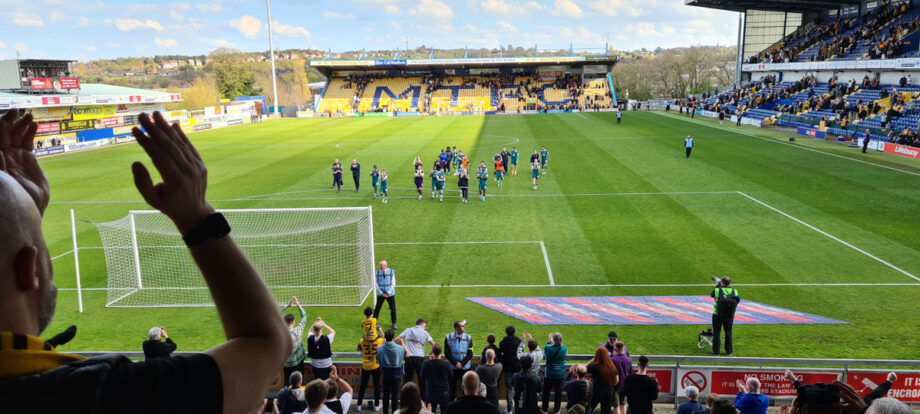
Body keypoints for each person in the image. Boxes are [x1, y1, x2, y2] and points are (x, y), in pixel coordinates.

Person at [0, 110, 290, 411]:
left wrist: (17, 222)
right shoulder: (110, 394)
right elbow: (267, 344)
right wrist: (197, 218)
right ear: (28, 269)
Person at [399, 319, 436, 401]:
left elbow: (397, 339)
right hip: (420, 358)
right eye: (425, 326)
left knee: (408, 380)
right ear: (422, 324)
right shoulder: (425, 333)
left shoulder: (408, 330)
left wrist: (404, 345)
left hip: (409, 358)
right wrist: (431, 352)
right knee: (421, 380)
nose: (425, 328)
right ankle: (424, 399)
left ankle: (407, 399)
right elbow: (434, 344)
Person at [378, 329, 407, 414]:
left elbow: (378, 361)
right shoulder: (400, 348)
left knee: (385, 396)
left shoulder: (380, 349)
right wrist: (402, 343)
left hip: (385, 375)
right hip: (397, 375)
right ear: (393, 337)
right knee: (395, 396)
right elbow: (408, 354)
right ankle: (394, 412)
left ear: (385, 337)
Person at [357, 325, 385, 412]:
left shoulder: (362, 341)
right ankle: (376, 406)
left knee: (362, 386)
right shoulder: (379, 341)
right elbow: (386, 339)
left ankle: (359, 405)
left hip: (366, 366)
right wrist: (380, 330)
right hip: (376, 366)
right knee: (376, 387)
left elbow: (358, 349)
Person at [444, 320, 473, 401]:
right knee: (451, 389)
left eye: (464, 326)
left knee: (466, 390)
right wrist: (456, 363)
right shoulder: (448, 337)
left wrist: (462, 364)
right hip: (453, 368)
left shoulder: (469, 337)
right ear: (456, 328)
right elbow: (447, 353)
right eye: (462, 326)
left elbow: (470, 353)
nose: (464, 327)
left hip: (465, 368)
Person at [710, 276, 739, 356]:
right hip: (729, 316)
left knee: (717, 333)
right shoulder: (734, 291)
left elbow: (712, 295)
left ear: (722, 283)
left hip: (717, 315)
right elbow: (738, 300)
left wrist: (717, 286)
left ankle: (716, 351)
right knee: (728, 333)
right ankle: (729, 352)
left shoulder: (717, 290)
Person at [421, 343, 453, 414]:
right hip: (444, 392)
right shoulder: (446, 364)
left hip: (431, 392)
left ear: (432, 351)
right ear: (441, 352)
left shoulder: (427, 363)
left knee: (430, 412)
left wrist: (430, 362)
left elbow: (422, 377)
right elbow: (451, 377)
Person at [284, 296, 308, 386]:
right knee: (300, 382)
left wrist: (286, 307)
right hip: (298, 362)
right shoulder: (298, 331)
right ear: (293, 322)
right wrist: (297, 303)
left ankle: (286, 398)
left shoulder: (280, 333)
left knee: (287, 382)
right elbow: (304, 316)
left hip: (286, 363)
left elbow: (274, 317)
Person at [587, 346, 619, 414]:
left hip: (596, 392)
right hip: (609, 392)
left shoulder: (594, 367)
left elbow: (582, 370)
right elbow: (616, 381)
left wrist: (591, 361)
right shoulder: (612, 366)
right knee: (606, 411)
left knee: (588, 409)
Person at [542, 332, 567, 414]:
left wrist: (549, 342)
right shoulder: (564, 348)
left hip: (549, 374)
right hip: (560, 374)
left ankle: (545, 409)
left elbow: (545, 352)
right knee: (558, 393)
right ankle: (556, 410)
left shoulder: (547, 347)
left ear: (553, 339)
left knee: (546, 392)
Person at [374, 260, 397, 330]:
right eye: (380, 265)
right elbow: (376, 284)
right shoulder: (377, 273)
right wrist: (381, 293)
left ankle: (394, 323)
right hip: (381, 294)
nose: (380, 266)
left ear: (385, 265)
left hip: (390, 294)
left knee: (393, 309)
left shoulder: (391, 272)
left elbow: (393, 283)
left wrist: (388, 293)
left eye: (381, 265)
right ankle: (374, 323)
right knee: (377, 308)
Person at [611, 341, 633, 414]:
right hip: (625, 386)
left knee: (616, 406)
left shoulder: (613, 360)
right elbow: (631, 372)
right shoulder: (629, 360)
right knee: (623, 405)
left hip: (616, 386)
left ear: (616, 350)